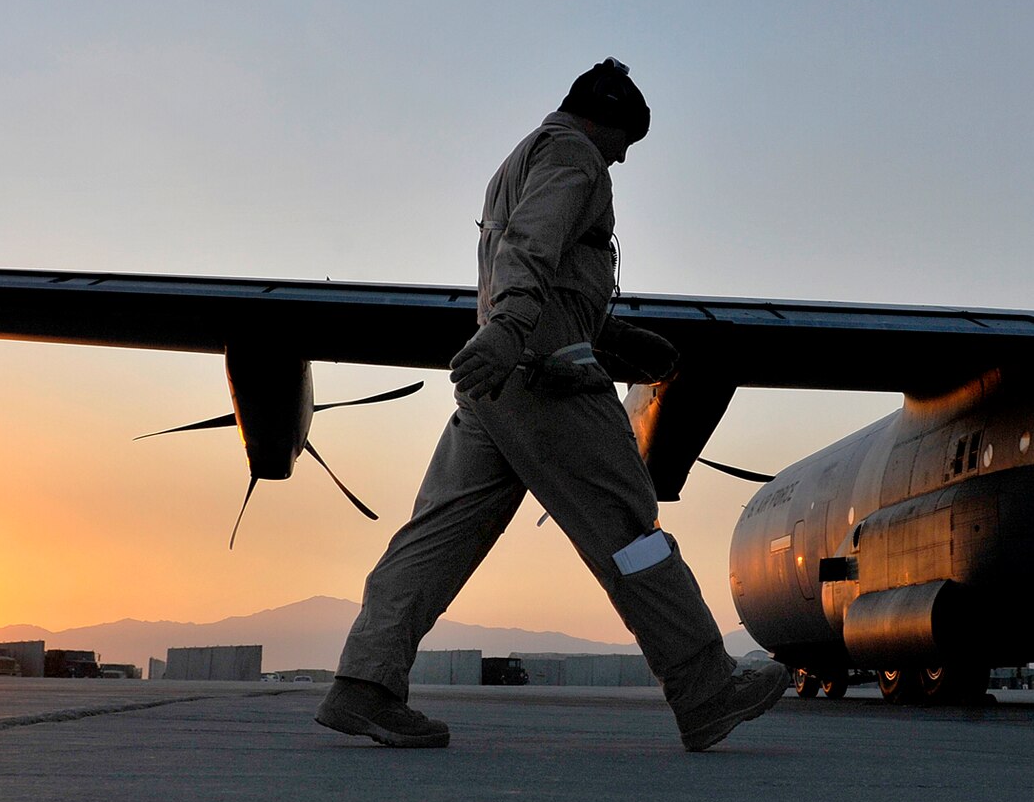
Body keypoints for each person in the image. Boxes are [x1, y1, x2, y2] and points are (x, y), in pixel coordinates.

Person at [317, 60, 787, 751]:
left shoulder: (519, 160)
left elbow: (548, 272)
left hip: (500, 383)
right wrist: (515, 329)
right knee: (631, 530)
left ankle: (364, 684)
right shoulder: (574, 155)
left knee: (438, 534)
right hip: (549, 377)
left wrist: (615, 338)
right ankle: (703, 685)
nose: (623, 158)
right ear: (606, 119)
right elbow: (532, 245)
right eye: (626, 140)